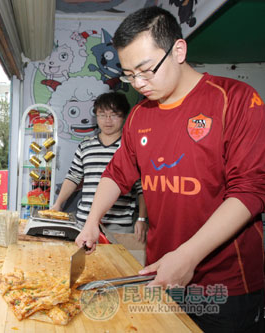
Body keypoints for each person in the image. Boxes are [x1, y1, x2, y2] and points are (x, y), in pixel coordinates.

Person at [76, 6, 265, 331]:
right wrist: (92, 221)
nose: (138, 83)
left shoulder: (234, 100)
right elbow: (116, 174)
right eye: (129, 75)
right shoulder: (139, 115)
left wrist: (189, 255)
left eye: (146, 70)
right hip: (161, 274)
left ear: (178, 50)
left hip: (226, 284)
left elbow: (250, 191)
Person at [51, 92, 147, 241]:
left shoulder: (131, 148)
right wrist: (57, 204)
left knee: (117, 264)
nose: (108, 120)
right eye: (102, 115)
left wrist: (141, 219)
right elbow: (73, 177)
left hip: (119, 225)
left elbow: (142, 188)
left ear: (124, 116)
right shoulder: (85, 146)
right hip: (84, 222)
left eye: (114, 115)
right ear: (96, 116)